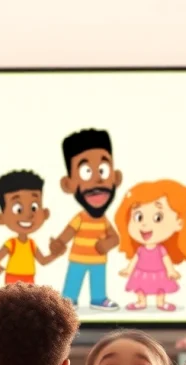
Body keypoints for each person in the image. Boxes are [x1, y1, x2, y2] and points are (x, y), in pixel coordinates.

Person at [49, 129, 122, 310]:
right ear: (68, 184)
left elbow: (115, 237)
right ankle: (68, 299)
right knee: (74, 278)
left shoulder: (104, 221)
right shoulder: (79, 218)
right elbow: (69, 233)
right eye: (86, 171)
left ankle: (98, 298)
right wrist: (59, 242)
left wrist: (107, 244)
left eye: (103, 171)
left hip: (98, 260)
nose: (97, 179)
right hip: (78, 258)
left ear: (116, 178)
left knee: (98, 279)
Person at [114, 180, 186, 311]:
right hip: (141, 272)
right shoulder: (140, 249)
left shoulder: (161, 249)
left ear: (179, 222)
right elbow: (135, 260)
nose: (144, 224)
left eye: (158, 218)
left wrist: (171, 271)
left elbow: (166, 260)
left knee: (161, 288)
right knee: (139, 288)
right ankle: (141, 302)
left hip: (159, 273)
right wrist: (128, 270)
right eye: (138, 217)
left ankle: (161, 303)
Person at [0, 170, 61, 284]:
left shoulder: (32, 244)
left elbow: (43, 261)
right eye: (18, 209)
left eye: (34, 207)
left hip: (29, 279)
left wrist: (55, 255)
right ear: (1, 218)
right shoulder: (11, 243)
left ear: (44, 213)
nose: (28, 215)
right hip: (12, 278)